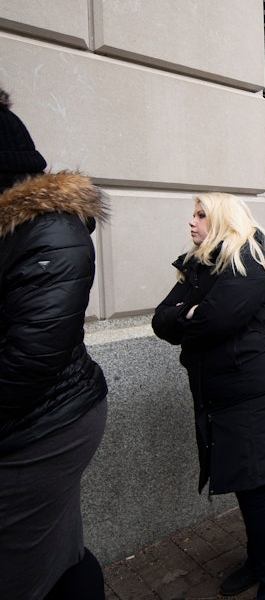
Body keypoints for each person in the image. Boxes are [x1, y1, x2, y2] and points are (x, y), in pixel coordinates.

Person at [152, 193, 265, 598]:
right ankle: (259, 563)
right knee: (248, 485)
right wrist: (189, 313)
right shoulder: (199, 264)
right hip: (225, 395)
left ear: (223, 219)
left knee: (258, 487)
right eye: (193, 214)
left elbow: (215, 320)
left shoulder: (250, 257)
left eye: (201, 215)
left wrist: (190, 313)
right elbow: (161, 321)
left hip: (260, 397)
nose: (192, 222)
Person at [0, 88, 109, 600]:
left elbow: (29, 356)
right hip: (40, 415)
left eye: (201, 215)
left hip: (40, 424)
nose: (192, 222)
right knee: (59, 558)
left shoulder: (52, 235)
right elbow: (171, 323)